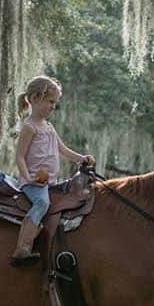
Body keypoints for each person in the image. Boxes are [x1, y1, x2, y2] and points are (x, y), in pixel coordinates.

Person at [10, 75, 94, 266]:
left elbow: (62, 150)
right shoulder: (30, 127)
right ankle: (23, 247)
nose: (53, 106)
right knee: (42, 203)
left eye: (54, 102)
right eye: (50, 101)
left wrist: (82, 158)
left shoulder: (48, 127)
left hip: (48, 182)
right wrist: (27, 177)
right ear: (34, 99)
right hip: (33, 183)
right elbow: (20, 156)